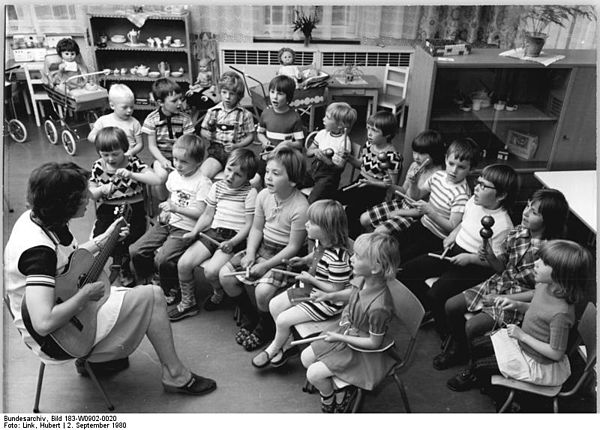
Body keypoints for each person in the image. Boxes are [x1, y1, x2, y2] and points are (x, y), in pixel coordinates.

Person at [4, 162, 216, 396]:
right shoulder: (38, 253)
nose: (89, 198)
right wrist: (84, 295)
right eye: (83, 196)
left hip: (60, 311)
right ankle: (175, 375)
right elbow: (43, 323)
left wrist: (102, 240)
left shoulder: (36, 218)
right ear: (64, 205)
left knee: (116, 291)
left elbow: (63, 263)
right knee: (153, 295)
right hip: (58, 339)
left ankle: (97, 360)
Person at [442, 189, 569, 382]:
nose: (526, 212)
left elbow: (540, 293)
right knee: (451, 306)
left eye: (534, 212)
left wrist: (506, 299)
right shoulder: (518, 232)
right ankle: (461, 349)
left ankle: (475, 369)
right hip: (499, 283)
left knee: (473, 326)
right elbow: (502, 268)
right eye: (527, 205)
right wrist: (491, 256)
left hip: (522, 297)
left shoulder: (552, 252)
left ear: (549, 220)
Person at [448, 240, 592, 393]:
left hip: (535, 360)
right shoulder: (544, 286)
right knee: (477, 345)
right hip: (523, 343)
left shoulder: (561, 314)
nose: (535, 263)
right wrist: (517, 305)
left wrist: (522, 336)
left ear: (561, 274)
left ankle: (486, 384)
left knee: (479, 365)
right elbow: (538, 310)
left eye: (544, 262)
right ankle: (480, 377)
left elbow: (556, 353)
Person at [398, 163, 518, 346]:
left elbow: (499, 264)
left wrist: (470, 258)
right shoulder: (473, 202)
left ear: (501, 195)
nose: (476, 188)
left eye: (484, 186)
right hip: (454, 251)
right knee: (407, 270)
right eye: (478, 183)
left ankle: (446, 334)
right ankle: (426, 310)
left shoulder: (504, 225)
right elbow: (464, 223)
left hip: (474, 266)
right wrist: (453, 235)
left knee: (436, 294)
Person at [219, 146, 309, 351]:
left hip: (283, 256)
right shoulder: (263, 195)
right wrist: (250, 253)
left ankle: (265, 326)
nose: (267, 177)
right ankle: (250, 317)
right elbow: (257, 228)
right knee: (226, 276)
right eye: (267, 171)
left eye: (275, 174)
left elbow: (294, 247)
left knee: (262, 292)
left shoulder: (301, 207)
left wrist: (265, 265)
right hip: (261, 247)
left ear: (293, 180)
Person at [300, 232, 401, 413]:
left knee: (313, 374)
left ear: (376, 268)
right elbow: (353, 293)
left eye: (358, 257)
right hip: (347, 331)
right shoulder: (363, 278)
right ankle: (340, 389)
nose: (351, 259)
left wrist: (341, 338)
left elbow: (374, 342)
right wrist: (330, 295)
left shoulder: (379, 307)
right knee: (305, 358)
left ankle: (330, 397)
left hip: (364, 353)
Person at [251, 200, 352, 368]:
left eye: (311, 223)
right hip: (309, 288)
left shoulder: (338, 259)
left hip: (325, 300)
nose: (306, 224)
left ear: (327, 229)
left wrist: (311, 279)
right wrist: (304, 260)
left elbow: (336, 289)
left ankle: (274, 348)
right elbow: (316, 255)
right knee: (274, 305)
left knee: (283, 320)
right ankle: (288, 344)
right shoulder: (321, 242)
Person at [169, 149, 259, 321]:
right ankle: (189, 302)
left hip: (233, 238)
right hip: (213, 233)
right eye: (228, 169)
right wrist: (194, 231)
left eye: (238, 174)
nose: (230, 176)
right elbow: (207, 215)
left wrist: (233, 242)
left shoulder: (250, 193)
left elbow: (250, 225)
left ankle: (219, 292)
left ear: (248, 178)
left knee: (211, 272)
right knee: (184, 264)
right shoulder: (217, 187)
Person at [129, 135, 212, 304]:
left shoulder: (203, 183)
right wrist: (167, 209)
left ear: (198, 162)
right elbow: (170, 197)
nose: (178, 165)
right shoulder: (174, 176)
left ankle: (170, 288)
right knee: (136, 250)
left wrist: (175, 208)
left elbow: (201, 213)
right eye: (175, 159)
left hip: (186, 229)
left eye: (184, 162)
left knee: (164, 259)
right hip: (168, 222)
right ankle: (153, 278)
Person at [88, 127, 162, 287]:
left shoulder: (133, 162)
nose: (110, 158)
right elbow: (91, 194)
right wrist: (101, 189)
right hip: (108, 208)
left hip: (134, 206)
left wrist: (133, 175)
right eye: (105, 154)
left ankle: (135, 264)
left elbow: (156, 180)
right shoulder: (98, 166)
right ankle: (121, 264)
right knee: (102, 237)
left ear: (125, 149)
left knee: (133, 237)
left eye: (115, 154)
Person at [392, 138, 479, 262]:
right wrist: (414, 184)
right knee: (391, 246)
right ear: (445, 159)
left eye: (461, 167)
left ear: (471, 169)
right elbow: (416, 196)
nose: (454, 170)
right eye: (451, 163)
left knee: (403, 258)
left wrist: (430, 212)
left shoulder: (462, 195)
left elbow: (451, 227)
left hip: (436, 237)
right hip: (422, 224)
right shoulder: (438, 176)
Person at [360, 129, 444, 234]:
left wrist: (399, 212)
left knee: (379, 231)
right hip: (402, 203)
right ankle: (374, 241)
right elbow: (403, 190)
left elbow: (420, 207)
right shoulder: (415, 165)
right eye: (415, 152)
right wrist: (389, 185)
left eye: (422, 153)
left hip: (415, 215)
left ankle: (380, 242)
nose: (416, 157)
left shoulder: (438, 176)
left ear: (434, 153)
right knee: (364, 219)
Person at [339, 111, 403, 238]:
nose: (369, 133)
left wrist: (372, 183)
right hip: (361, 181)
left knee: (353, 211)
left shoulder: (392, 156)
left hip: (376, 190)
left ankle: (352, 240)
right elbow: (361, 165)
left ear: (388, 135)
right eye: (368, 128)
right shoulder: (369, 145)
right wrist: (350, 158)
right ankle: (335, 231)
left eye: (374, 130)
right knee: (336, 198)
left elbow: (390, 185)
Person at [199, 71, 256, 180]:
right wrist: (205, 134)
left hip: (236, 153)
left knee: (243, 178)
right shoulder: (212, 111)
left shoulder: (245, 114)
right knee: (203, 176)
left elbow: (250, 136)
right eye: (224, 92)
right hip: (216, 153)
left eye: (232, 94)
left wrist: (237, 146)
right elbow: (202, 130)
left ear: (238, 96)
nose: (227, 97)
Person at [142, 78, 195, 184]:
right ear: (160, 102)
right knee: (162, 176)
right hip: (161, 158)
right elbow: (152, 146)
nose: (179, 103)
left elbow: (188, 144)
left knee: (188, 176)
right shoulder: (152, 119)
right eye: (174, 101)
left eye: (180, 99)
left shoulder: (185, 119)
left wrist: (180, 161)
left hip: (182, 157)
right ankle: (163, 200)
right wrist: (162, 160)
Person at [303, 102, 357, 203]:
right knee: (292, 182)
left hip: (328, 178)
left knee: (312, 200)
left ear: (340, 126)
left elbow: (339, 169)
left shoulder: (344, 143)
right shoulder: (322, 133)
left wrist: (326, 160)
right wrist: (315, 151)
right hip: (314, 171)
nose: (324, 119)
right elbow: (308, 153)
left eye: (328, 118)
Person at [88, 84, 144, 157]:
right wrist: (105, 140)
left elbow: (140, 144)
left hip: (128, 157)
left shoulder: (135, 123)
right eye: (125, 107)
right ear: (112, 105)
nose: (129, 110)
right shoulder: (103, 121)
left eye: (132, 107)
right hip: (108, 158)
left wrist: (131, 152)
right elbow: (90, 136)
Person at [256, 74, 305, 154]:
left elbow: (299, 144)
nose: (274, 97)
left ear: (288, 97)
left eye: (280, 94)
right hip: (269, 154)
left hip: (286, 156)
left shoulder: (295, 117)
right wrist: (265, 141)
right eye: (272, 92)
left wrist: (287, 144)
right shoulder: (265, 113)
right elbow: (260, 133)